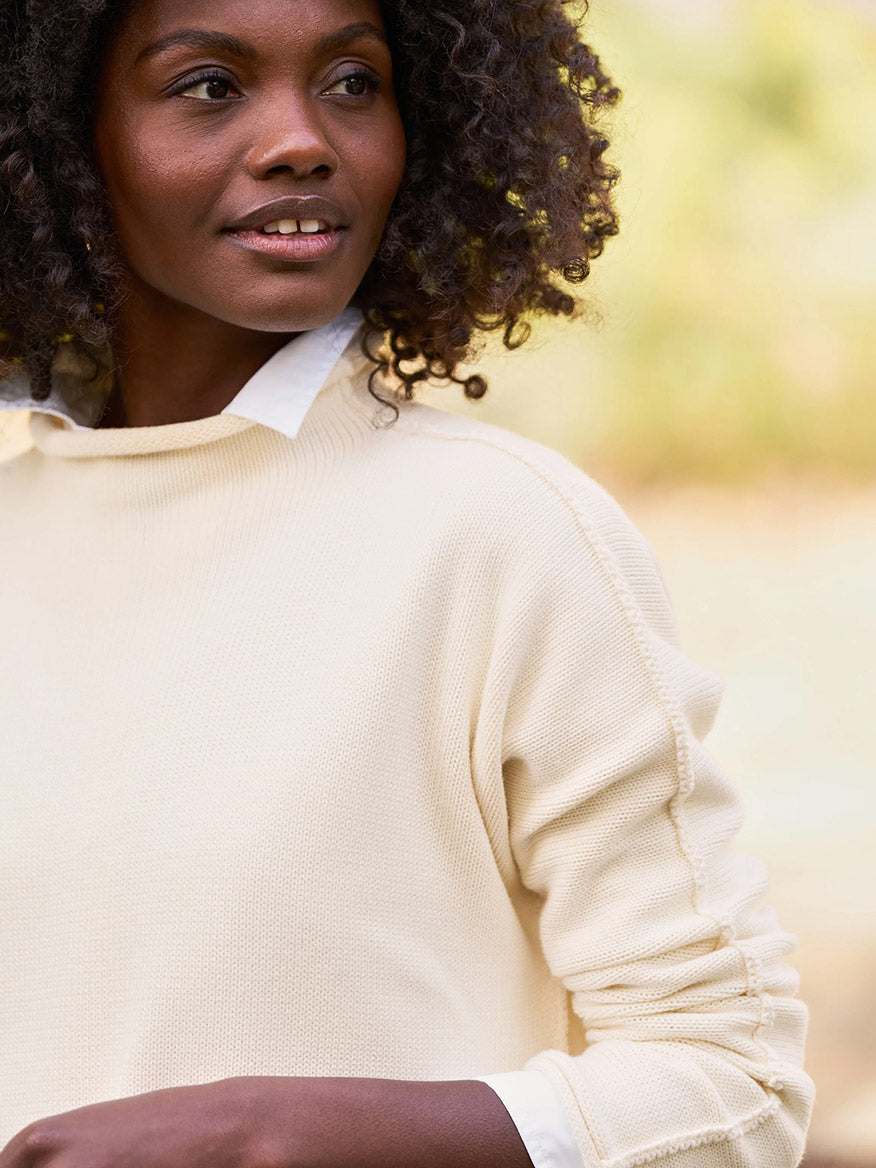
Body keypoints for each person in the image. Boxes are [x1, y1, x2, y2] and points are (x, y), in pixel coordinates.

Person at [0, 1, 815, 1166]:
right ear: (60, 138)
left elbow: (734, 1086)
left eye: (351, 80)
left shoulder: (502, 536)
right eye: (208, 86)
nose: (302, 139)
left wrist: (271, 1132)